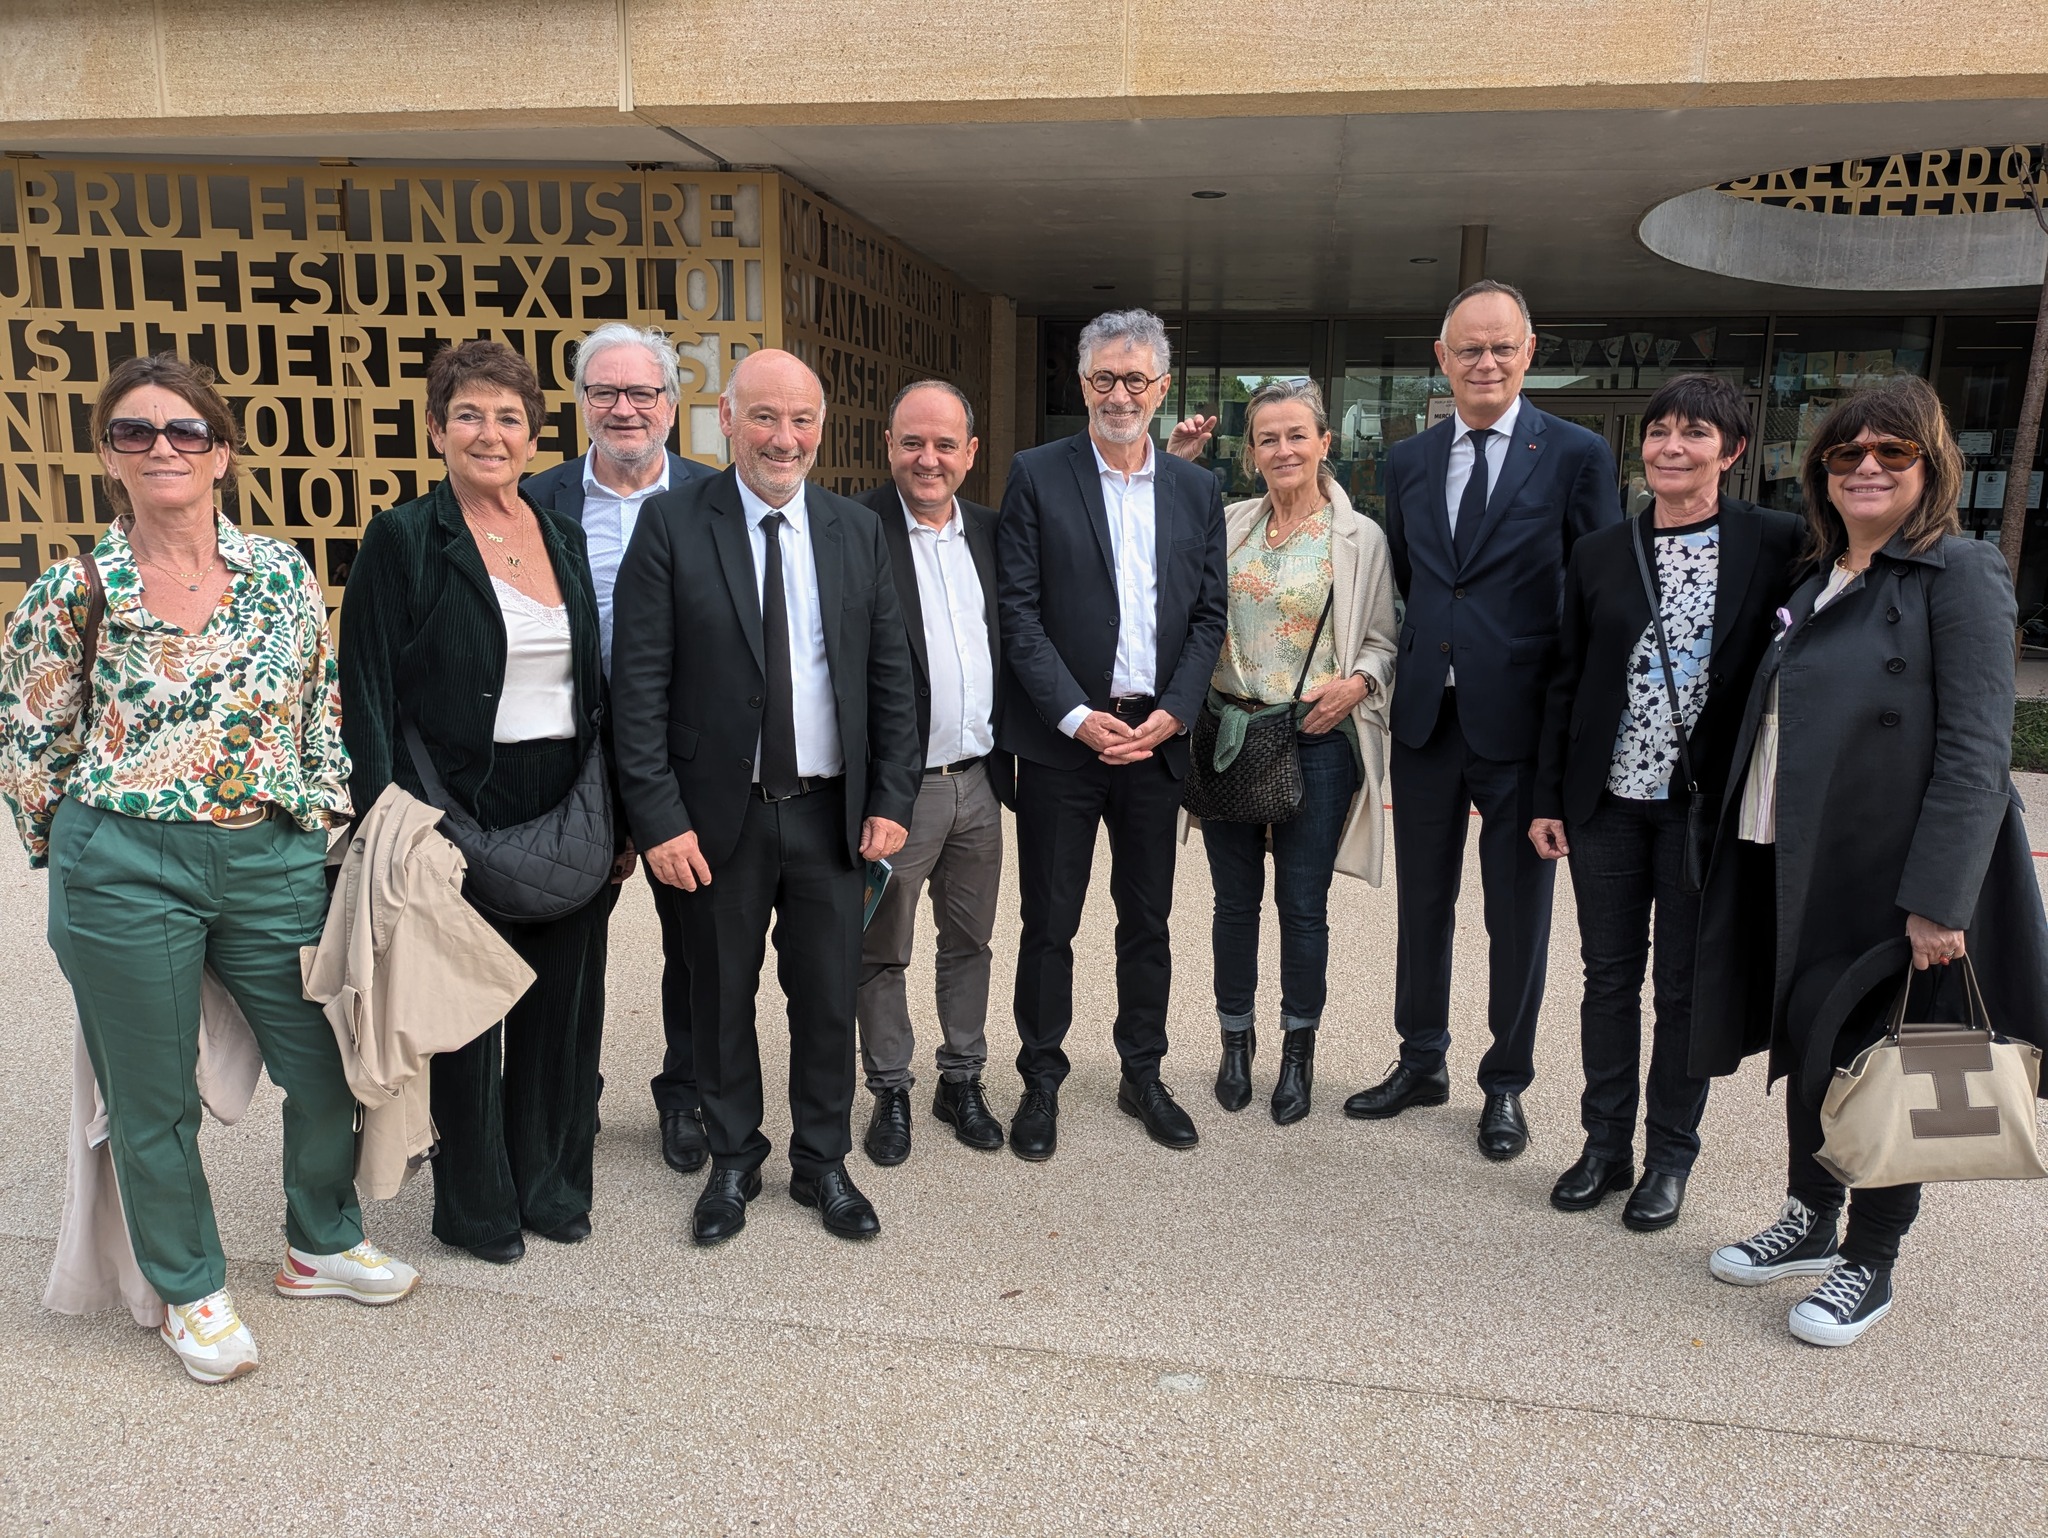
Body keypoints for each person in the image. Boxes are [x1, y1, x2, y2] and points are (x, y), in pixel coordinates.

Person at [0, 353, 417, 1385]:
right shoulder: (74, 590)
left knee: (328, 1064)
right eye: (136, 432)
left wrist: (319, 812)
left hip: (271, 852)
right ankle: (189, 1284)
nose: (162, 448)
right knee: (154, 1098)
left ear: (221, 452)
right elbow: (30, 738)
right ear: (109, 455)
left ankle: (318, 1238)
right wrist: (80, 853)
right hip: (125, 865)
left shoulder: (279, 573)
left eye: (185, 431)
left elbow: (318, 707)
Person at [1692, 377, 2048, 1347]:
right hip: (1796, 857)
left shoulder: (1958, 572)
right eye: (1845, 453)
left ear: (1930, 468)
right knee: (1812, 1045)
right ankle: (1809, 1215)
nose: (1864, 468)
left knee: (1894, 1058)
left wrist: (1937, 897)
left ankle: (1870, 1259)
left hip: (1898, 876)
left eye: (1891, 453)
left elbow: (1979, 748)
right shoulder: (1817, 576)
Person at [610, 349, 921, 1246]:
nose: (784, 439)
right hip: (717, 822)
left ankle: (822, 1160)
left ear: (821, 429)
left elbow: (892, 680)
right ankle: (734, 1157)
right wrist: (659, 820)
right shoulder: (671, 526)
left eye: (802, 421)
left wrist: (890, 796)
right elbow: (637, 693)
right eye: (765, 418)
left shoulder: (855, 532)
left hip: (831, 816)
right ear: (725, 420)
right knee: (719, 996)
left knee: (827, 995)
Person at [340, 338, 626, 1266]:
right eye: (469, 414)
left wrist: (615, 808)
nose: (489, 433)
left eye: (508, 417)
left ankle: (551, 1185)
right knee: (467, 1008)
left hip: (564, 796)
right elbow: (369, 689)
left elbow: (596, 681)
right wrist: (392, 821)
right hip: (453, 800)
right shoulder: (404, 539)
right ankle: (476, 1204)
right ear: (436, 428)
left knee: (564, 1007)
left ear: (534, 434)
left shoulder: (562, 533)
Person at [1350, 279, 1620, 1161]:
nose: (1486, 361)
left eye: (1502, 346)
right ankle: (1421, 1059)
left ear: (1530, 352)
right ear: (1443, 357)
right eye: (1469, 348)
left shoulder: (1576, 453)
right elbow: (1420, 586)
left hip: (1524, 728)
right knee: (1423, 907)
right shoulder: (1409, 460)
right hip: (1430, 720)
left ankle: (1505, 1083)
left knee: (1518, 917)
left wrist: (1578, 736)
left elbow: (1595, 599)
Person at [1528, 375, 1802, 1231]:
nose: (1670, 447)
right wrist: (1549, 797)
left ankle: (1669, 1157)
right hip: (1607, 801)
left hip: (1699, 811)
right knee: (1607, 979)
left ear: (1733, 451)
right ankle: (1603, 1146)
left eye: (1693, 434)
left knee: (1684, 989)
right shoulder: (1604, 552)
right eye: (1658, 433)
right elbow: (1566, 681)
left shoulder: (1777, 542)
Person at [997, 308, 1228, 1160]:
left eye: (1136, 379)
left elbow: (1208, 615)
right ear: (1081, 384)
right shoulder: (1036, 474)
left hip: (1155, 738)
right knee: (1049, 920)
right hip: (1064, 744)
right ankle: (1041, 1078)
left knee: (1148, 919)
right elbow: (1016, 614)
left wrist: (1176, 709)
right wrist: (1073, 715)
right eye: (1104, 378)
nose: (1120, 394)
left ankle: (1143, 1072)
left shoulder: (1198, 490)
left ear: (1162, 388)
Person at [522, 323, 717, 1178]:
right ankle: (571, 1093)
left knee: (700, 945)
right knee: (566, 943)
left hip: (687, 762)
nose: (624, 408)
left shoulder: (720, 497)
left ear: (672, 406)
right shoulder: (535, 498)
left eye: (642, 393)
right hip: (570, 763)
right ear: (581, 405)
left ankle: (686, 1097)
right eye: (606, 392)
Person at [1186, 379, 1397, 1125]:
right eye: (1268, 438)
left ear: (1323, 444)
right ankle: (1234, 1042)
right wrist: (1178, 465)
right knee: (1232, 904)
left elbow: (1380, 640)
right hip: (1229, 736)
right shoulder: (1229, 523)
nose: (1283, 449)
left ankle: (1297, 1052)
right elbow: (1173, 587)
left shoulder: (1357, 537)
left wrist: (1358, 685)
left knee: (1303, 906)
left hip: (1315, 742)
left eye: (1296, 435)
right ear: (1251, 453)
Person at [853, 380, 1008, 1164]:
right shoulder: (855, 531)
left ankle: (962, 1078)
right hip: (897, 790)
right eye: (913, 442)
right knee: (881, 949)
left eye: (946, 444)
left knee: (970, 941)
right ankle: (890, 1089)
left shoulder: (991, 531)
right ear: (889, 445)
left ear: (970, 454)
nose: (928, 458)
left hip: (979, 781)